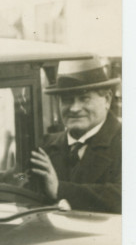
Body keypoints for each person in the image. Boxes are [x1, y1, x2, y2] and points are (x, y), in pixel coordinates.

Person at [30, 57, 121, 213]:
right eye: (67, 100)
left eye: (84, 98)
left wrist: (60, 189)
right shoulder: (46, 145)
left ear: (107, 99)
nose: (74, 108)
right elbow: (15, 177)